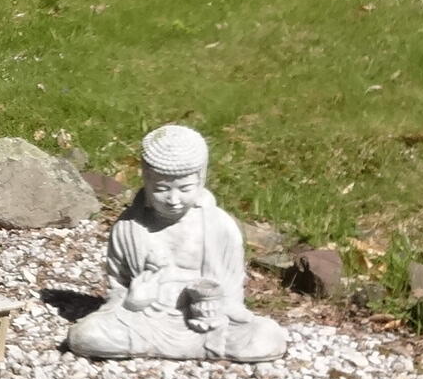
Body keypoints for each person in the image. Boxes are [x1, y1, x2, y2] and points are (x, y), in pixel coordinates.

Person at [66, 124, 288, 363]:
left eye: (185, 188)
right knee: (86, 334)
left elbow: (232, 290)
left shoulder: (220, 226)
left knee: (266, 337)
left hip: (207, 323)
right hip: (147, 320)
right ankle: (192, 349)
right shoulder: (129, 228)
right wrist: (132, 301)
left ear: (201, 180)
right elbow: (117, 287)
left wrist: (216, 308)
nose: (173, 200)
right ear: (146, 180)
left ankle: (183, 346)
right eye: (161, 189)